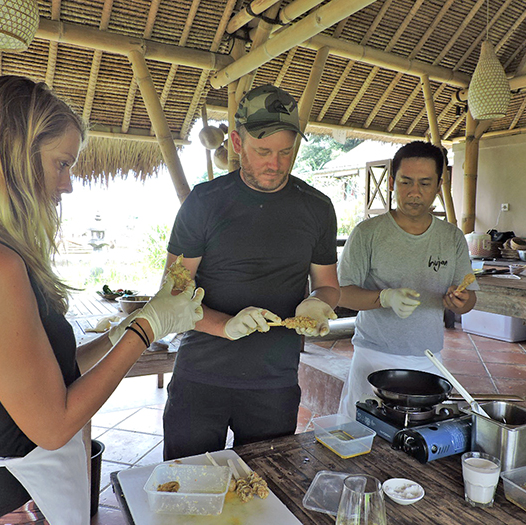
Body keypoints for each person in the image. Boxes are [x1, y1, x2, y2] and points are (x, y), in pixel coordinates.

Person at [0, 75, 204, 525]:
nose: (69, 185)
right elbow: (54, 424)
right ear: (11, 158)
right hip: (13, 507)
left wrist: (122, 330)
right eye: (62, 164)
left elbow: (48, 376)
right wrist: (146, 328)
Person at [161, 84, 340, 460]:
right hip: (201, 377)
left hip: (274, 381)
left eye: (285, 151)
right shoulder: (204, 203)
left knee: (266, 494)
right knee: (188, 491)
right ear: (239, 143)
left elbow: (327, 286)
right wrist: (223, 325)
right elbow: (172, 294)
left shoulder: (317, 208)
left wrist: (316, 304)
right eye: (263, 151)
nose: (275, 164)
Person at [336, 141, 478, 418]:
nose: (415, 193)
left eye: (425, 183)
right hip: (373, 356)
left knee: (414, 439)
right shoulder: (368, 233)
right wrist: (384, 298)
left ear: (439, 185)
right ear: (391, 182)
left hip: (428, 358)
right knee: (360, 433)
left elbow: (469, 299)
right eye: (406, 182)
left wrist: (459, 301)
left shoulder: (451, 237)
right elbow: (342, 293)